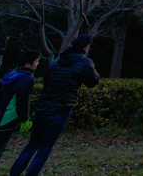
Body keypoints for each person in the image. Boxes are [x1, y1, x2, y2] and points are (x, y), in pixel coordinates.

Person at [9, 35, 99, 176]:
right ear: (86, 47)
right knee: (45, 148)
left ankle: (14, 173)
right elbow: (92, 82)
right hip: (61, 108)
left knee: (32, 145)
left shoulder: (56, 62)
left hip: (43, 107)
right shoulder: (84, 63)